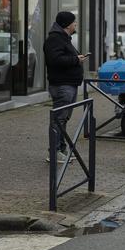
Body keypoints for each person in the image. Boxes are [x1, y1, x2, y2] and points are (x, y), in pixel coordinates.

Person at [44, 11, 85, 164]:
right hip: (62, 85)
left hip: (69, 84)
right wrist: (76, 60)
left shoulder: (63, 39)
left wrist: (77, 58)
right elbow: (55, 60)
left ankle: (61, 149)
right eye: (74, 22)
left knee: (63, 119)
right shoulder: (54, 39)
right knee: (58, 119)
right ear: (68, 25)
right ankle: (54, 152)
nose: (76, 25)